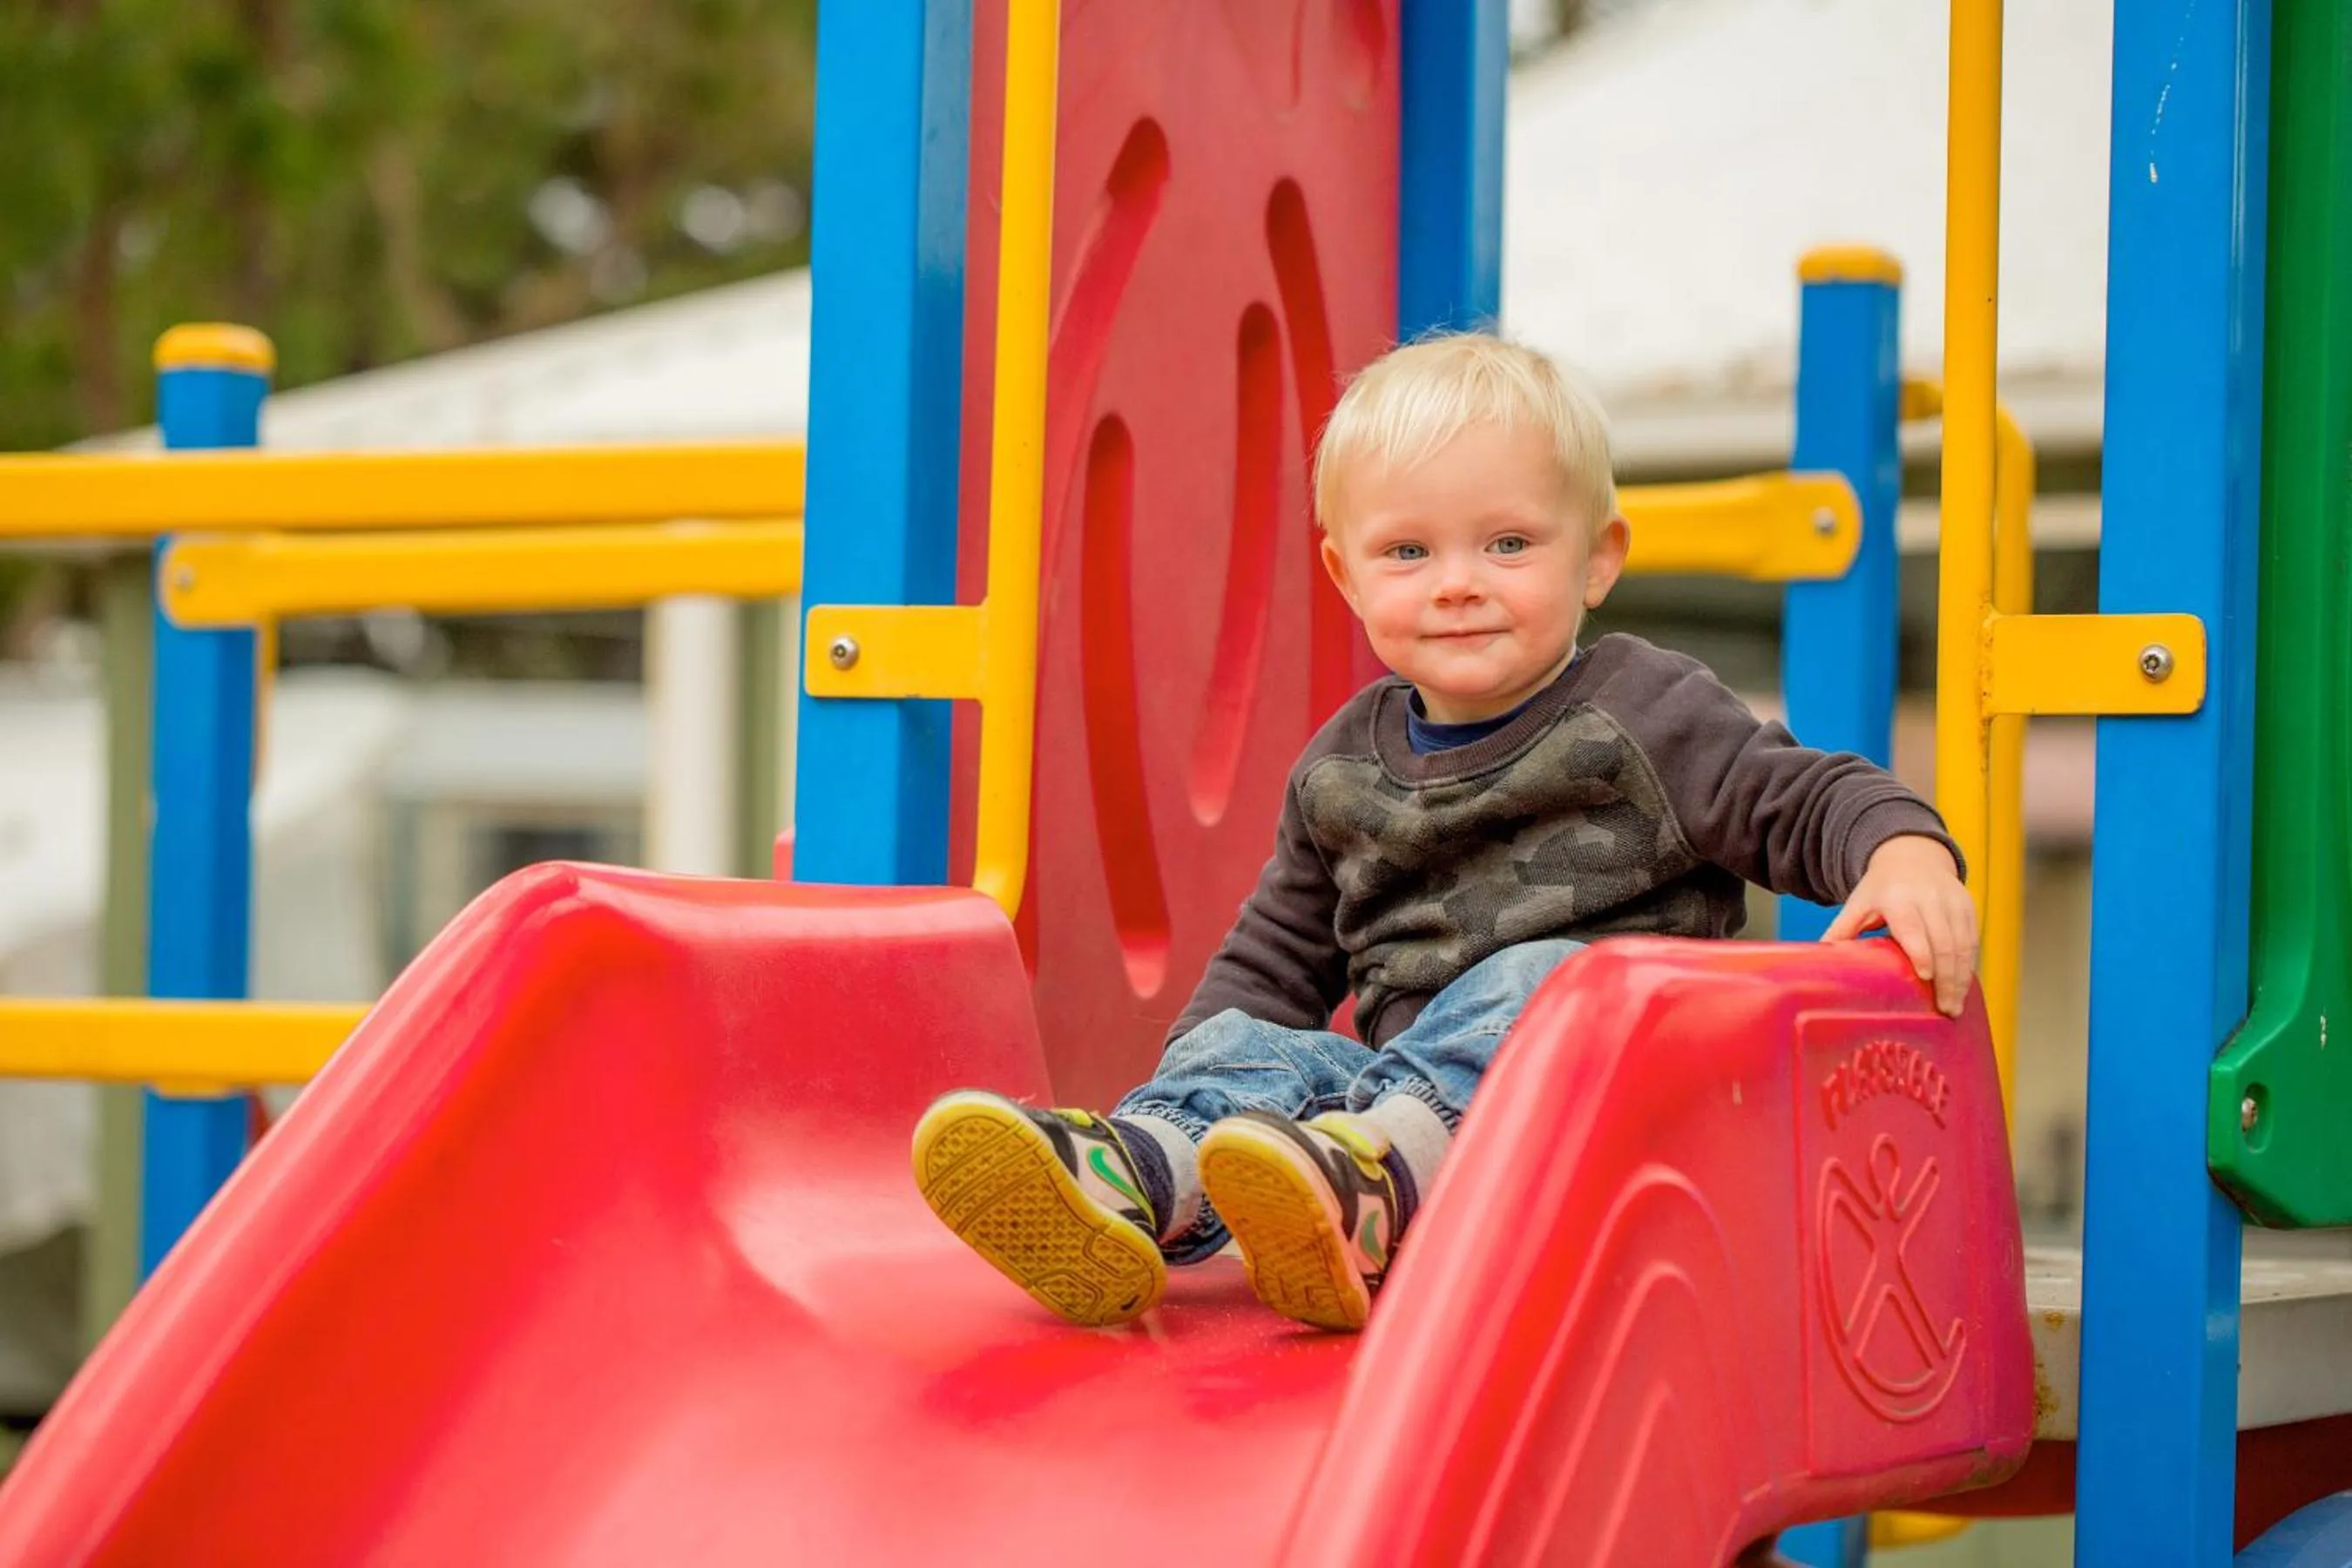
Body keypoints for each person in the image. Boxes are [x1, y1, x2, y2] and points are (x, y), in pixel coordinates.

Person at [911, 332, 1975, 1333]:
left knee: (1541, 984)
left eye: (1508, 543)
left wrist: (1901, 850)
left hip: (1620, 1127)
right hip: (1401, 1112)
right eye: (1409, 550)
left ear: (1597, 560)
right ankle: (1148, 1175)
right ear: (1347, 577)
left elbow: (1799, 796)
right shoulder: (1341, 765)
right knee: (1256, 1045)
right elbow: (1276, 955)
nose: (1459, 582)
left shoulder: (1646, 713)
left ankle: (1363, 1186)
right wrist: (1215, 1069)